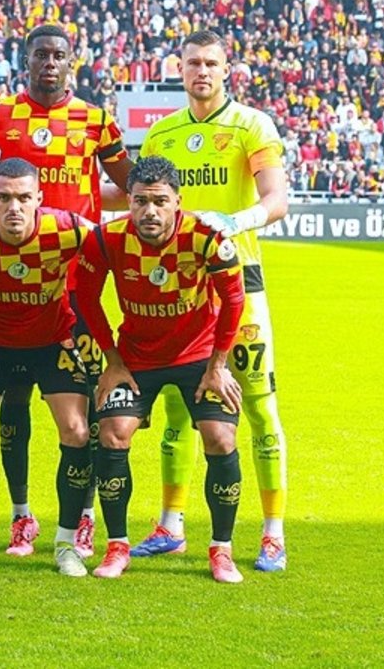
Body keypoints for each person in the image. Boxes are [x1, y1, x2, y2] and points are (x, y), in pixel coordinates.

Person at [0, 23, 131, 558]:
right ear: (26, 60)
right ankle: (21, 515)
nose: (49, 63)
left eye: (58, 55)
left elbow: (128, 182)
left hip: (75, 282)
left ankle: (82, 517)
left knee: (83, 408)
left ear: (71, 61)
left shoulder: (96, 120)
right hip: (10, 273)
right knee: (11, 403)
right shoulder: (0, 115)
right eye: (40, 54)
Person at [132, 30, 292, 572]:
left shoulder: (251, 125)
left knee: (259, 406)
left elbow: (277, 199)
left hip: (239, 281)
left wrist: (234, 221)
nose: (201, 71)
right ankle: (171, 525)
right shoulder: (162, 134)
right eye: (193, 63)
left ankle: (273, 533)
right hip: (181, 287)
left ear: (227, 70)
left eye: (211, 63)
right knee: (179, 409)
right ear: (179, 70)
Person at [73, 155, 247, 584]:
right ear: (128, 201)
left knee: (221, 437)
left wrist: (218, 365)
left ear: (177, 202)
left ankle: (221, 550)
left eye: (159, 201)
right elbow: (86, 297)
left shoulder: (206, 237)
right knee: (113, 432)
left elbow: (234, 299)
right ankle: (117, 546)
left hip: (199, 356)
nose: (149, 211)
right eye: (140, 201)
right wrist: (112, 361)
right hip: (136, 358)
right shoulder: (105, 239)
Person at [0, 157, 92, 576]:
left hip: (51, 342)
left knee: (77, 431)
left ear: (39, 198)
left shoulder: (68, 229)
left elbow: (118, 247)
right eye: (4, 197)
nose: (14, 207)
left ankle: (66, 543)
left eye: (24, 198)